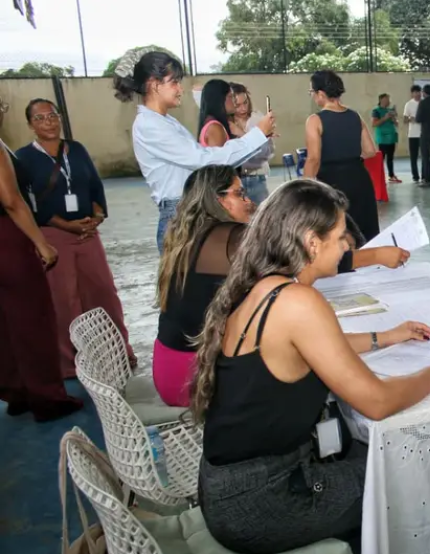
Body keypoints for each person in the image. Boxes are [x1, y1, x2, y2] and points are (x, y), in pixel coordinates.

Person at [191, 179, 430, 554]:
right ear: (312, 242)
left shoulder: (263, 286)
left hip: (228, 489)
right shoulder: (299, 301)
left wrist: (385, 336)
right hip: (264, 502)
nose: (348, 246)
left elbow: (315, 346)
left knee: (373, 455)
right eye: (342, 237)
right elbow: (376, 401)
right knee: (409, 473)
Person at [155, 166, 409, 407]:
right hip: (194, 374)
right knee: (305, 362)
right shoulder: (231, 239)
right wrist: (375, 256)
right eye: (238, 193)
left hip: (170, 362)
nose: (247, 200)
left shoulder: (191, 238)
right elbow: (300, 260)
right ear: (218, 200)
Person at [15, 98, 136, 379]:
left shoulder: (77, 149)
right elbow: (30, 202)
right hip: (55, 235)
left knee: (104, 294)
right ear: (31, 125)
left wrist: (97, 215)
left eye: (52, 115)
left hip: (87, 233)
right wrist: (65, 225)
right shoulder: (24, 158)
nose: (49, 122)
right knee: (65, 301)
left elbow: (94, 185)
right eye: (40, 118)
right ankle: (71, 365)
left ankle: (120, 353)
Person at [112, 49, 275, 252]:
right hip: (179, 214)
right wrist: (257, 134)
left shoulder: (164, 121)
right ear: (154, 84)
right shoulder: (149, 125)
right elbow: (204, 161)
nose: (180, 89)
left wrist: (258, 138)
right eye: (174, 82)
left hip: (188, 211)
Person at [0, 95, 83, 422]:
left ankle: (16, 390)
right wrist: (41, 242)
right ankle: (48, 397)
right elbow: (11, 200)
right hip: (8, 239)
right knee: (32, 320)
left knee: (6, 324)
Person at [303, 70, 380, 242]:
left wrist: (304, 188)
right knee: (365, 232)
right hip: (359, 178)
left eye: (312, 93)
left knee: (338, 235)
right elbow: (370, 151)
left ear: (321, 94)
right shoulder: (355, 116)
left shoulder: (315, 120)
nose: (313, 97)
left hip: (332, 183)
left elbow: (313, 159)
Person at [228, 82, 274, 205]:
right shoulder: (224, 123)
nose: (243, 108)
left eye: (245, 103)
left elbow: (267, 152)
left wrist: (242, 134)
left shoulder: (258, 119)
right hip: (233, 181)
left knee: (261, 220)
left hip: (257, 179)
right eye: (237, 105)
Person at [371, 93, 400, 184]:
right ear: (381, 100)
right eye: (386, 99)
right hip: (383, 138)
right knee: (381, 158)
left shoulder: (389, 110)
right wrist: (385, 117)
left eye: (389, 99)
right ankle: (379, 176)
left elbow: (396, 124)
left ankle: (391, 175)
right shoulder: (376, 111)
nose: (388, 101)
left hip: (391, 137)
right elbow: (374, 124)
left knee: (390, 158)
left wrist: (394, 118)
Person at [197, 79, 236, 148]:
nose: (235, 100)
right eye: (230, 96)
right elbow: (218, 158)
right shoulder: (215, 128)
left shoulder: (213, 124)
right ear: (219, 99)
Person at [403, 85, 422, 182]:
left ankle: (424, 176)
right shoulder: (408, 104)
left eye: (419, 92)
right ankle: (415, 176)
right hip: (413, 134)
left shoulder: (424, 103)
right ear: (412, 93)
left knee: (424, 156)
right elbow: (405, 119)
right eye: (415, 92)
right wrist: (411, 119)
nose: (418, 94)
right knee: (413, 157)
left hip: (423, 134)